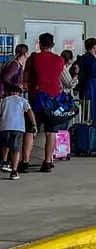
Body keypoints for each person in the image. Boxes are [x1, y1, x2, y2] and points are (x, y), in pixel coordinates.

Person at [22, 33, 66, 173]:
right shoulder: (59, 60)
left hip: (36, 98)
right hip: (53, 100)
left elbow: (26, 78)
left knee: (30, 130)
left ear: (39, 44)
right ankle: (47, 162)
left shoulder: (33, 58)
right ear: (52, 45)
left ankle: (24, 162)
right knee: (51, 132)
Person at [0, 84, 36, 180]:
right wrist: (34, 125)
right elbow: (30, 111)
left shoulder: (3, 101)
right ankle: (14, 171)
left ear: (8, 92)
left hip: (4, 127)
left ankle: (4, 161)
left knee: (5, 145)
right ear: (19, 93)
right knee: (16, 149)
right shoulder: (23, 101)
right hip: (18, 128)